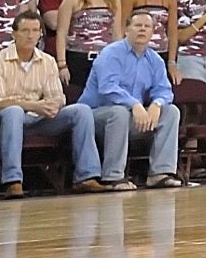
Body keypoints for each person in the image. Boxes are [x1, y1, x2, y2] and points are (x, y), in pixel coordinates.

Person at [0, 10, 102, 196]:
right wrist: (34, 105)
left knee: (81, 110)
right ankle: (13, 180)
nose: (30, 35)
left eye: (35, 30)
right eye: (25, 30)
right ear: (14, 34)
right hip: (9, 120)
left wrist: (52, 106)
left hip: (40, 119)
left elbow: (58, 96)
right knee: (13, 111)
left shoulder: (48, 61)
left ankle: (87, 176)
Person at [78, 11, 182, 191]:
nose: (142, 30)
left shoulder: (154, 59)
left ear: (153, 32)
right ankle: (114, 176)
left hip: (131, 118)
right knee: (118, 112)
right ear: (126, 29)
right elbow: (107, 88)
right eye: (137, 25)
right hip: (95, 117)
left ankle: (160, 173)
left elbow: (164, 90)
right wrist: (135, 104)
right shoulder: (111, 53)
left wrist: (157, 104)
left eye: (147, 26)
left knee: (171, 111)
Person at [55, 0, 121, 88]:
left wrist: (119, 61)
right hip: (77, 58)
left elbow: (117, 34)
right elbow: (61, 34)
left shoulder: (114, 0)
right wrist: (62, 64)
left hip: (105, 59)